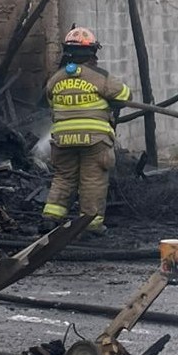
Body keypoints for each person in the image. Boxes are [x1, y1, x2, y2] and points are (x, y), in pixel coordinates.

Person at [41, 27, 131, 236]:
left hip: (63, 140)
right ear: (92, 52)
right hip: (94, 140)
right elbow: (125, 95)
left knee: (63, 178)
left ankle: (50, 219)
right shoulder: (100, 77)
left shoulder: (55, 80)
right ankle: (90, 226)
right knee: (93, 180)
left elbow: (51, 103)